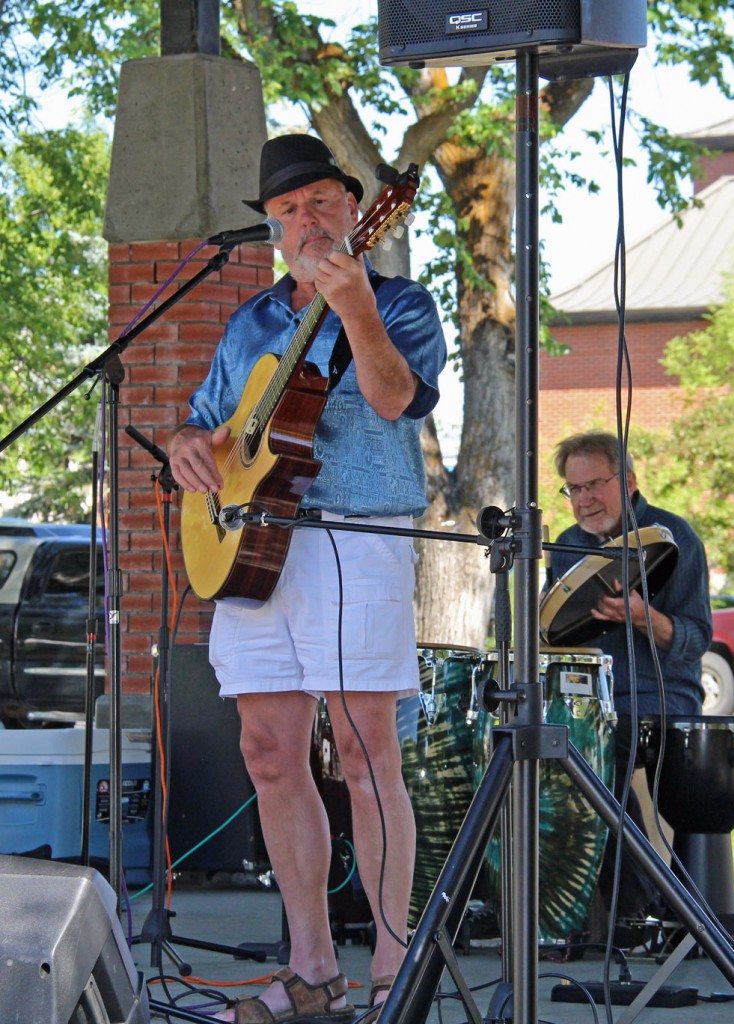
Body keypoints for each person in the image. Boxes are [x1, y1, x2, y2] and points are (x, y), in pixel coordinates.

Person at [169, 134, 447, 1024]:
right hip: (251, 542)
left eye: (321, 201)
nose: (305, 220)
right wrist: (184, 447)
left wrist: (356, 307)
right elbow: (208, 426)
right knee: (269, 753)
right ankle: (311, 966)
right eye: (287, 210)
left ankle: (394, 972)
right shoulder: (250, 320)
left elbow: (397, 399)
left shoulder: (401, 300)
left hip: (352, 537)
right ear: (271, 228)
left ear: (356, 206)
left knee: (367, 754)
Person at [543, 431, 713, 925]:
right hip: (592, 700)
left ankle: (632, 906)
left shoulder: (674, 538)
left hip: (661, 696)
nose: (584, 500)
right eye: (573, 489)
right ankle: (606, 908)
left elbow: (696, 640)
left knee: (594, 751)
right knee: (547, 751)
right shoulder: (566, 545)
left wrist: (643, 617)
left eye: (594, 484)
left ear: (630, 481)